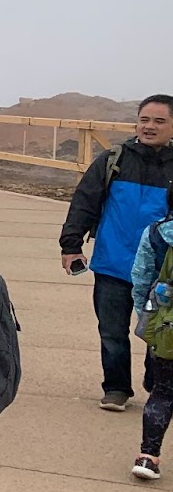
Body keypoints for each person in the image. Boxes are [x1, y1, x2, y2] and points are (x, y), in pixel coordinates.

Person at [60, 94, 173, 410]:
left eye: (159, 121)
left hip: (161, 270)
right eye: (144, 120)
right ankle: (116, 388)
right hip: (113, 263)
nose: (149, 127)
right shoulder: (114, 159)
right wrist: (71, 245)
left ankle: (157, 384)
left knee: (161, 333)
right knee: (112, 332)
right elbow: (84, 201)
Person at [130, 186, 173, 480]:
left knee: (162, 392)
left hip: (166, 325)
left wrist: (145, 316)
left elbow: (141, 276)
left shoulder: (157, 233)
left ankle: (148, 456)